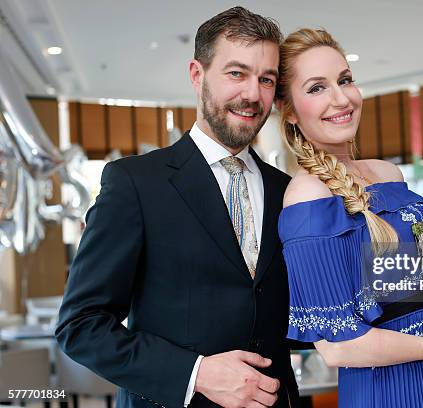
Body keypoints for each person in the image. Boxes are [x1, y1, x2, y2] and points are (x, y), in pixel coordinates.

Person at [55, 7, 299, 408]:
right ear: (197, 74)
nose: (253, 94)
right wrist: (196, 372)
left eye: (266, 79)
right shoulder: (134, 183)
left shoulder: (287, 190)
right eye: (236, 73)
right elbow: (81, 326)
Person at [275, 28, 423, 407]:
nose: (341, 98)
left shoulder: (389, 174)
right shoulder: (308, 196)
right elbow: (339, 348)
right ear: (288, 110)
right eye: (316, 88)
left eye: (345, 80)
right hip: (392, 393)